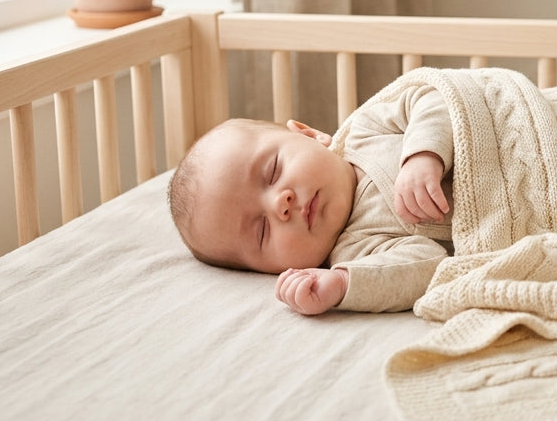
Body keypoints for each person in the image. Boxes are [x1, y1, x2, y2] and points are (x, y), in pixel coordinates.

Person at [167, 84, 455, 316]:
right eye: (262, 230)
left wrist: (423, 155)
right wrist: (343, 284)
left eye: (273, 171)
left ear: (309, 135)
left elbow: (436, 99)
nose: (280, 204)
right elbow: (429, 265)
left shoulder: (367, 131)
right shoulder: (357, 253)